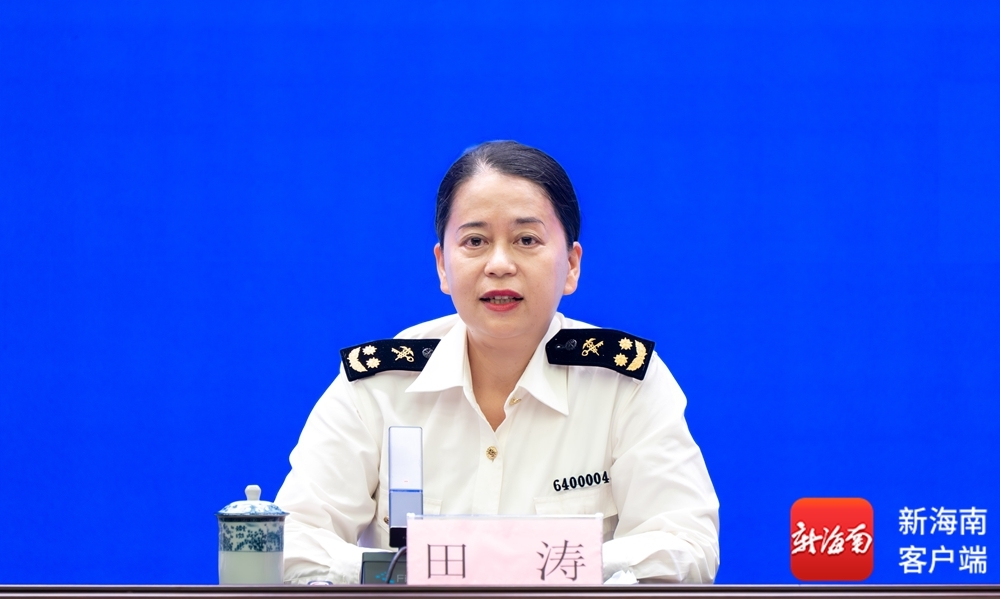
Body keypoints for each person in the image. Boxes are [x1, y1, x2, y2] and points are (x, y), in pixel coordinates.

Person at [274, 141, 720, 584]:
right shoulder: (377, 386)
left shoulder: (624, 382)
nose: (500, 264)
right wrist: (405, 573)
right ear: (443, 266)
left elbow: (688, 545)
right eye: (475, 241)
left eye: (527, 240)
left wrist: (511, 565)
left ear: (571, 265)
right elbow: (290, 541)